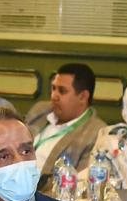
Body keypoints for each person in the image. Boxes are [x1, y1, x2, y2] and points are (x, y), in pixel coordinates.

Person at [24, 62, 107, 191]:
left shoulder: (96, 133)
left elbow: (80, 186)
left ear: (83, 97)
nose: (54, 96)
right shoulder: (40, 110)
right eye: (53, 88)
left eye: (62, 91)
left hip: (44, 195)